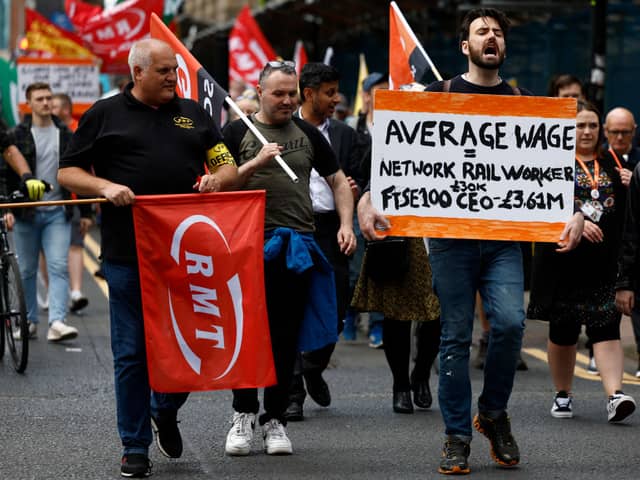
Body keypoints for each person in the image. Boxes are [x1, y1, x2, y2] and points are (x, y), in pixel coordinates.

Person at [57, 38, 238, 478]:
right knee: (133, 354)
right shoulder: (104, 114)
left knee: (198, 346)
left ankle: (164, 407)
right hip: (127, 255)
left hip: (188, 256)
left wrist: (218, 180)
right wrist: (103, 187)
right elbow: (67, 171)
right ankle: (134, 444)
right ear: (137, 72)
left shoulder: (192, 112)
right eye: (163, 72)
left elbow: (227, 163)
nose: (173, 80)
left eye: (174, 71)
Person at [423, 9, 584, 475]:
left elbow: (555, 170)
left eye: (497, 33)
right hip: (451, 242)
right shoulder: (439, 96)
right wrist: (372, 199)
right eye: (481, 31)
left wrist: (574, 209)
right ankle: (456, 436)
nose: (491, 37)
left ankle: (492, 413)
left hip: (502, 243)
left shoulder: (526, 102)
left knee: (511, 325)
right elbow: (398, 159)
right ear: (465, 46)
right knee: (454, 337)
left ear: (504, 48)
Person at [222, 60, 355, 456]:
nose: (286, 100)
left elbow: (337, 181)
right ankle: (243, 414)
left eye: (291, 93)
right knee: (247, 336)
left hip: (296, 247)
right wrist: (255, 162)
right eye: (278, 93)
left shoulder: (309, 134)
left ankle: (274, 419)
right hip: (247, 247)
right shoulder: (235, 132)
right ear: (259, 92)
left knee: (284, 337)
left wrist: (346, 223)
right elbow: (219, 185)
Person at [529, 100, 636, 423]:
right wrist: (571, 218)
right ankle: (563, 394)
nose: (586, 131)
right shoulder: (549, 165)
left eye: (591, 125)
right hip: (563, 264)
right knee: (564, 332)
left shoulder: (614, 166)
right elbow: (534, 207)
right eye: (579, 125)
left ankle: (614, 395)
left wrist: (633, 186)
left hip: (604, 266)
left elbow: (628, 219)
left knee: (607, 329)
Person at [284, 62, 363, 421]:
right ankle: (294, 389)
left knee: (336, 305)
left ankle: (314, 365)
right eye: (329, 92)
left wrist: (357, 194)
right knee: (294, 305)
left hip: (333, 228)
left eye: (337, 91)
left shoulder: (346, 135)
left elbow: (360, 175)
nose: (336, 99)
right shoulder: (282, 130)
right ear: (309, 92)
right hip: (294, 226)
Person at [4, 82, 80, 343]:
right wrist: (8, 207)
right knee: (26, 269)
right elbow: (8, 175)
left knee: (58, 266)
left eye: (49, 98)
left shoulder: (66, 134)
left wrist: (87, 211)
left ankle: (57, 321)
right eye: (40, 99)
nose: (46, 103)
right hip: (26, 212)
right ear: (30, 103)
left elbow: (78, 171)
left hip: (58, 211)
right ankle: (29, 321)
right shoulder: (17, 135)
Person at [353, 191, 441, 414]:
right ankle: (400, 385)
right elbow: (372, 171)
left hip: (440, 227)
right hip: (399, 229)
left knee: (437, 314)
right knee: (396, 312)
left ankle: (421, 374)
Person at [345, 71, 389, 347]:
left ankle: (378, 324)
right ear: (365, 96)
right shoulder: (352, 127)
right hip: (356, 205)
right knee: (355, 268)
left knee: (381, 268)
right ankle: (350, 315)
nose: (383, 93)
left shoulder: (397, 125)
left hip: (386, 208)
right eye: (378, 89)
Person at [605, 107, 640, 377]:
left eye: (625, 132)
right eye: (614, 131)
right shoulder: (597, 160)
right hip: (610, 244)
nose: (619, 137)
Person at [51, 93, 93, 313]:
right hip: (47, 202)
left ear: (66, 110)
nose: (50, 108)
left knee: (75, 245)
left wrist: (87, 211)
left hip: (72, 201)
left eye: (55, 105)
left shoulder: (76, 132)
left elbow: (84, 170)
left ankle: (75, 292)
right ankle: (54, 294)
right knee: (48, 254)